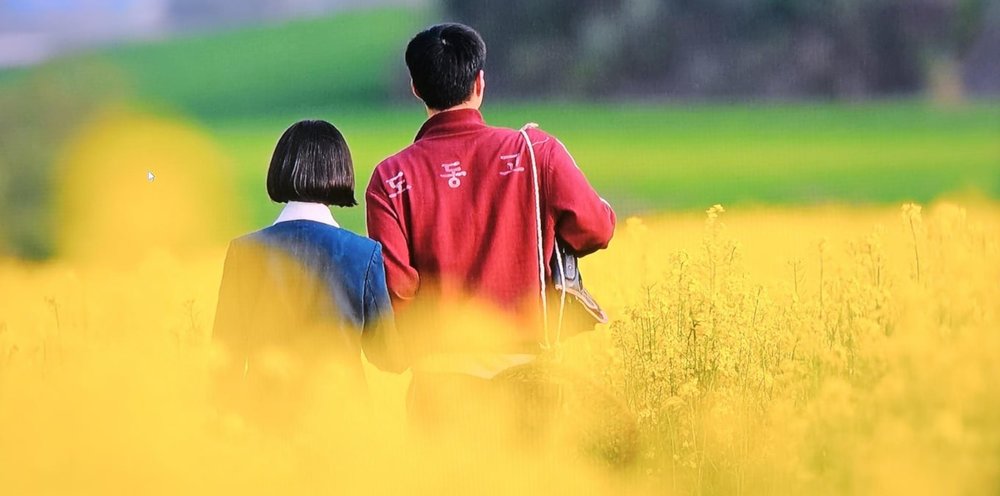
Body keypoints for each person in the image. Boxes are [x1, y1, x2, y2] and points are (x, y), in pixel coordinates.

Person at [365, 23, 616, 426]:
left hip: (439, 383)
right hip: (529, 376)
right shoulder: (537, 152)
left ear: (415, 88)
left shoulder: (391, 178)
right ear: (480, 82)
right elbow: (597, 229)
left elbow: (396, 286)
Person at [213, 119, 402, 430]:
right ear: (340, 172)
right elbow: (388, 358)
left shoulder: (243, 252)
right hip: (342, 423)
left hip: (263, 422)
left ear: (279, 169)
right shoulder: (362, 255)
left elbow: (224, 360)